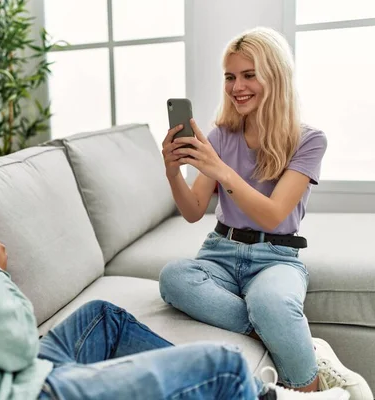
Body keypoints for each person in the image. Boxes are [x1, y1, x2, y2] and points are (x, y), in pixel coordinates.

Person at [0, 52, 349, 400]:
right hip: (10, 390)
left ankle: (274, 348)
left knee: (102, 319)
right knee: (222, 365)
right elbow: (16, 345)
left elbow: (273, 214)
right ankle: (271, 391)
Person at [158, 27, 372, 399]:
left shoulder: (308, 140)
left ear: (274, 75)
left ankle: (310, 388)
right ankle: (288, 334)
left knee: (272, 299)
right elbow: (193, 211)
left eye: (248, 74)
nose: (237, 86)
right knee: (174, 277)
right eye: (230, 76)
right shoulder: (221, 135)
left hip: (276, 257)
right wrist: (172, 170)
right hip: (219, 255)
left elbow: (273, 216)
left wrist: (220, 169)